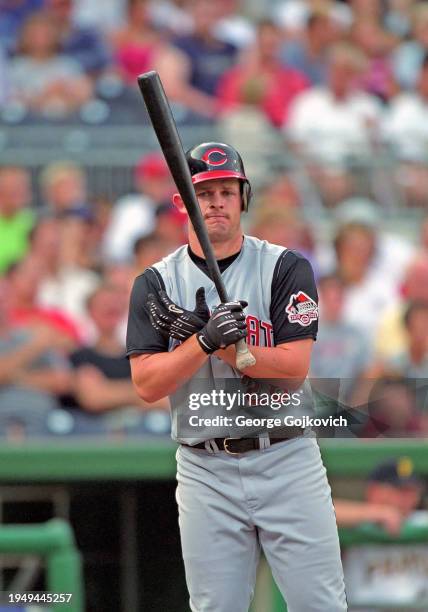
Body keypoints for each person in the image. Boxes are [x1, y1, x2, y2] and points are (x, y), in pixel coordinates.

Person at [127, 142, 347, 611]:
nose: (216, 202)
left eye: (227, 191)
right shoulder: (156, 282)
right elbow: (146, 384)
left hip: (286, 457)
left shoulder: (284, 266)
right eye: (204, 193)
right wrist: (201, 342)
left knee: (321, 605)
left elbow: (292, 370)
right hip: (205, 466)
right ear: (183, 203)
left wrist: (231, 349)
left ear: (243, 198)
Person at [340, 457, 428, 609]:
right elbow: (315, 514)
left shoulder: (420, 520)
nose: (408, 497)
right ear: (374, 490)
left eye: (413, 491)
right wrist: (376, 513)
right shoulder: (354, 519)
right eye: (399, 490)